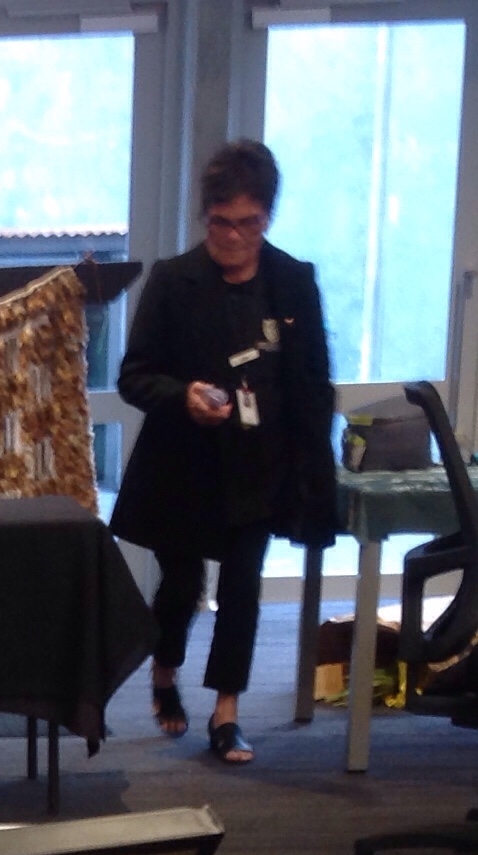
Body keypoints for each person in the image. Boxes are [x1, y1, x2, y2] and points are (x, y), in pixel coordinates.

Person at [111, 139, 335, 764]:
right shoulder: (173, 280)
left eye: (248, 224)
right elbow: (134, 376)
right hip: (183, 465)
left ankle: (227, 711)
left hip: (259, 465)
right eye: (221, 223)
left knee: (242, 587)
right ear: (204, 216)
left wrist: (314, 471)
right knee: (181, 585)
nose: (234, 237)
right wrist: (183, 395)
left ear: (268, 217)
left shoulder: (292, 282)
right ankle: (165, 668)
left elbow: (313, 382)